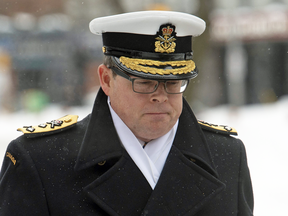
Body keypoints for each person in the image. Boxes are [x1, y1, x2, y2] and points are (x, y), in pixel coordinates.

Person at [0, 11, 253, 216]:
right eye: (143, 82)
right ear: (106, 80)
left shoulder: (227, 157)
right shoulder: (40, 161)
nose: (161, 95)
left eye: (173, 83)